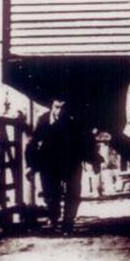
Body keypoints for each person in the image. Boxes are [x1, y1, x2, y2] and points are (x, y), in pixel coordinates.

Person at [26, 98, 99, 233]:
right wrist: (30, 165)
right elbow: (32, 142)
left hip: (71, 161)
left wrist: (94, 160)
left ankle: (68, 223)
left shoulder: (75, 120)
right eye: (57, 107)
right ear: (52, 107)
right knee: (50, 193)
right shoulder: (43, 120)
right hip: (49, 162)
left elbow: (87, 141)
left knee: (73, 192)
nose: (60, 111)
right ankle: (54, 218)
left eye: (63, 108)